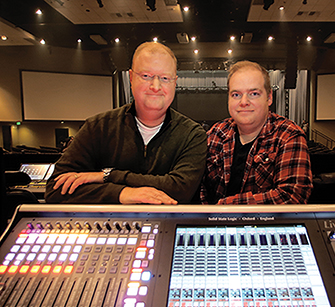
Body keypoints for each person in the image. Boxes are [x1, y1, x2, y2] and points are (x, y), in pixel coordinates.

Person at [45, 42, 207, 204]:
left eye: (165, 78)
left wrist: (108, 176)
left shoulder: (192, 134)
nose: (156, 86)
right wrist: (122, 193)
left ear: (174, 82)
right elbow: (56, 189)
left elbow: (180, 190)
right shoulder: (97, 127)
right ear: (131, 77)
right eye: (146, 76)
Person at [200, 60, 313, 205]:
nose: (244, 102)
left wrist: (225, 208)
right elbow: (199, 186)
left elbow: (291, 196)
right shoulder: (216, 134)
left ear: (269, 97)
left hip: (265, 226)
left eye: (253, 93)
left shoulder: (288, 135)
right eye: (236, 95)